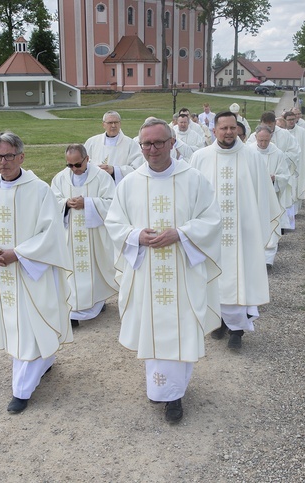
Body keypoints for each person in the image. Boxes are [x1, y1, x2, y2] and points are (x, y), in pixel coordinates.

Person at [104, 118, 222, 424]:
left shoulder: (193, 179)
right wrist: (136, 237)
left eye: (158, 142)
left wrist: (180, 234)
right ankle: (163, 389)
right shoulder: (129, 183)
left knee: (180, 328)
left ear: (172, 143)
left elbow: (211, 219)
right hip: (146, 272)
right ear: (140, 146)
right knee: (154, 329)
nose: (152, 149)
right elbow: (115, 223)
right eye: (146, 143)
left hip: (183, 269)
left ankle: (175, 394)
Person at [0, 131, 73, 415]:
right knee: (18, 326)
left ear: (21, 157)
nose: (3, 162)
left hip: (30, 272)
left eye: (9, 156)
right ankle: (45, 359)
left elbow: (51, 234)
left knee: (30, 324)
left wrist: (19, 254)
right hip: (2, 274)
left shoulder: (38, 189)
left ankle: (22, 390)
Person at [191, 112, 282, 350]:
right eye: (223, 128)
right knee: (213, 278)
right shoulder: (200, 158)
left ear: (238, 130)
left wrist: (257, 230)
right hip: (211, 235)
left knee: (240, 280)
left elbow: (263, 198)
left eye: (233, 128)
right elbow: (192, 196)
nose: (229, 132)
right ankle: (219, 320)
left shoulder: (252, 158)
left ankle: (237, 330)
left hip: (243, 235)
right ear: (214, 130)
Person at [51, 144, 118, 328]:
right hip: (70, 235)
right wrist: (65, 203)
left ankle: (98, 301)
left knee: (95, 270)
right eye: (69, 165)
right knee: (71, 272)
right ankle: (73, 311)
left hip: (94, 234)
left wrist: (87, 203)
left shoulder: (101, 177)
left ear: (87, 159)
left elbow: (112, 203)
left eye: (77, 165)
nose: (74, 169)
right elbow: (51, 202)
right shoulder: (60, 178)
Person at [249, 124, 293, 268]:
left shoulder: (278, 153)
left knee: (271, 224)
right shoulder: (248, 152)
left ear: (271, 138)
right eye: (260, 140)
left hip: (270, 198)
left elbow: (285, 175)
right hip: (252, 196)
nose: (263, 144)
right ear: (255, 138)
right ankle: (253, 257)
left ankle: (268, 259)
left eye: (266, 141)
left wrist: (275, 178)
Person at [84, 111, 144, 184]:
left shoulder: (131, 144)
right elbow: (83, 164)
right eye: (110, 123)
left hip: (120, 187)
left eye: (116, 122)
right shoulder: (92, 142)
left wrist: (114, 170)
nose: (113, 125)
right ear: (103, 124)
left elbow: (137, 169)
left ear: (120, 124)